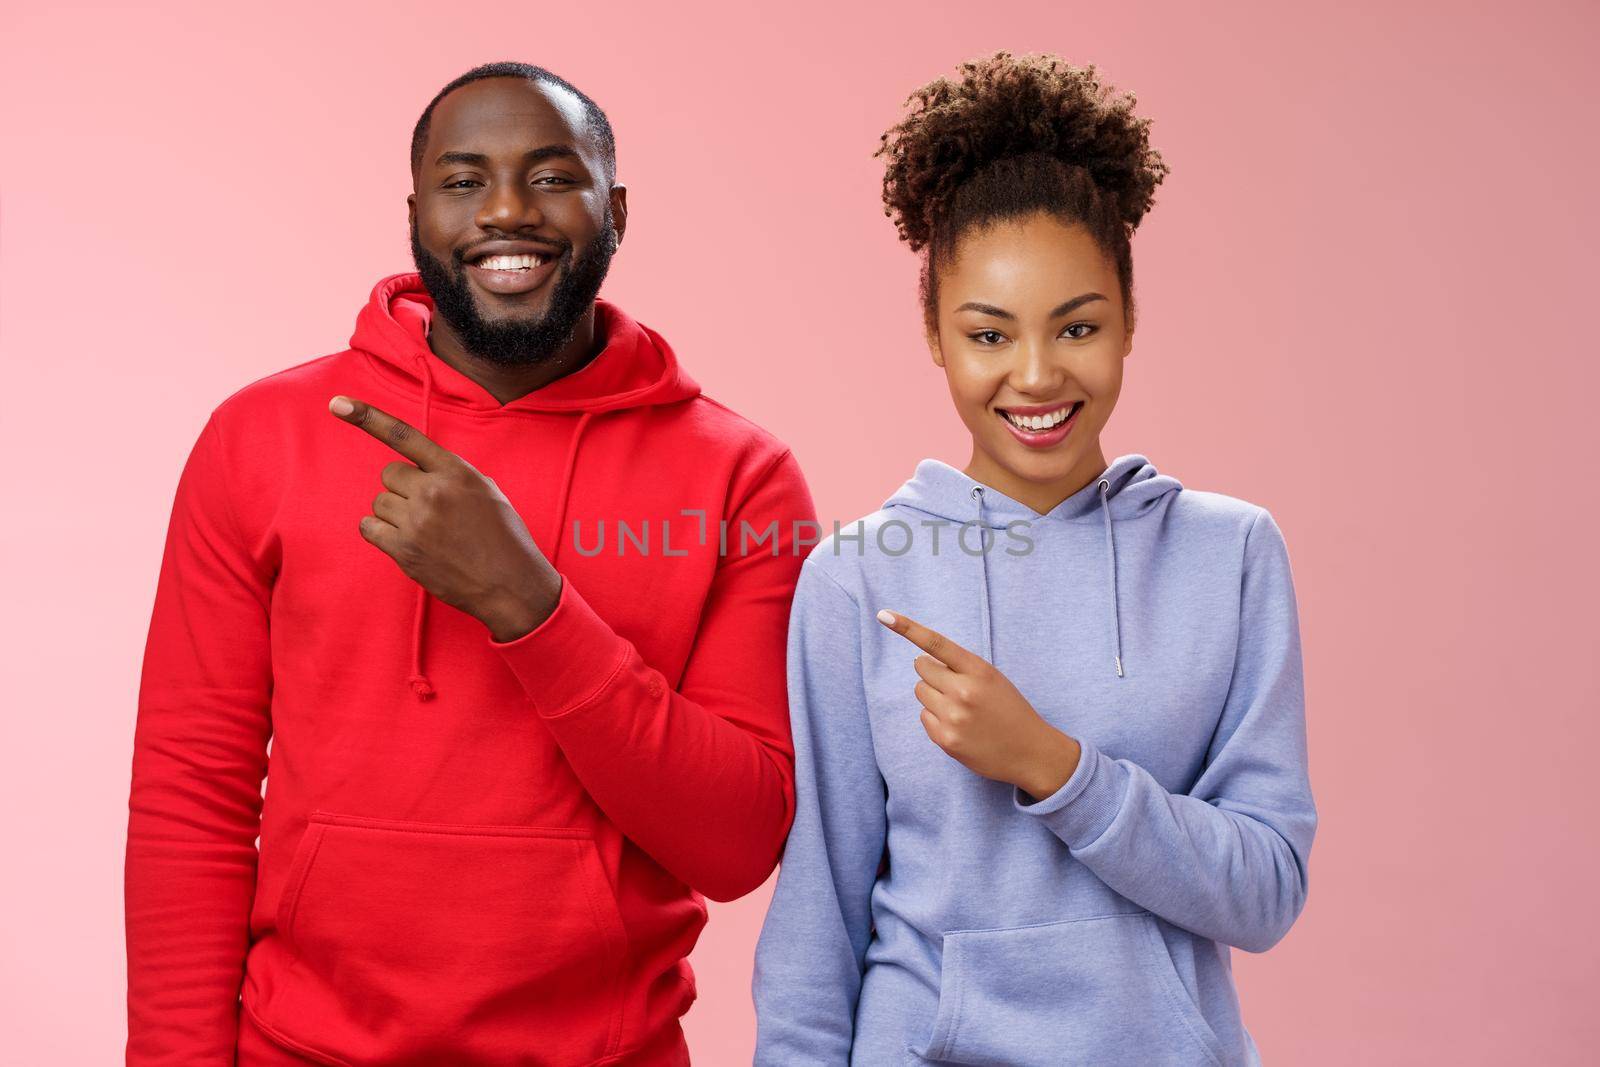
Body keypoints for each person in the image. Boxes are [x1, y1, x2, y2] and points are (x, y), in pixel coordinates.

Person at [125, 61, 815, 1065]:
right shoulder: (261, 437)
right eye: (463, 181)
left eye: (550, 178)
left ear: (613, 208)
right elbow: (193, 795)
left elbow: (738, 841)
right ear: (414, 212)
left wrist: (529, 604)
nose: (505, 211)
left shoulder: (740, 475)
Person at [751, 51, 1317, 1066]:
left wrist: (1052, 765)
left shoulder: (1229, 552)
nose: (1036, 373)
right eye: (987, 333)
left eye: (1078, 326)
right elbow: (816, 919)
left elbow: (1266, 887)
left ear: (1130, 319)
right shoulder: (859, 574)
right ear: (934, 334)